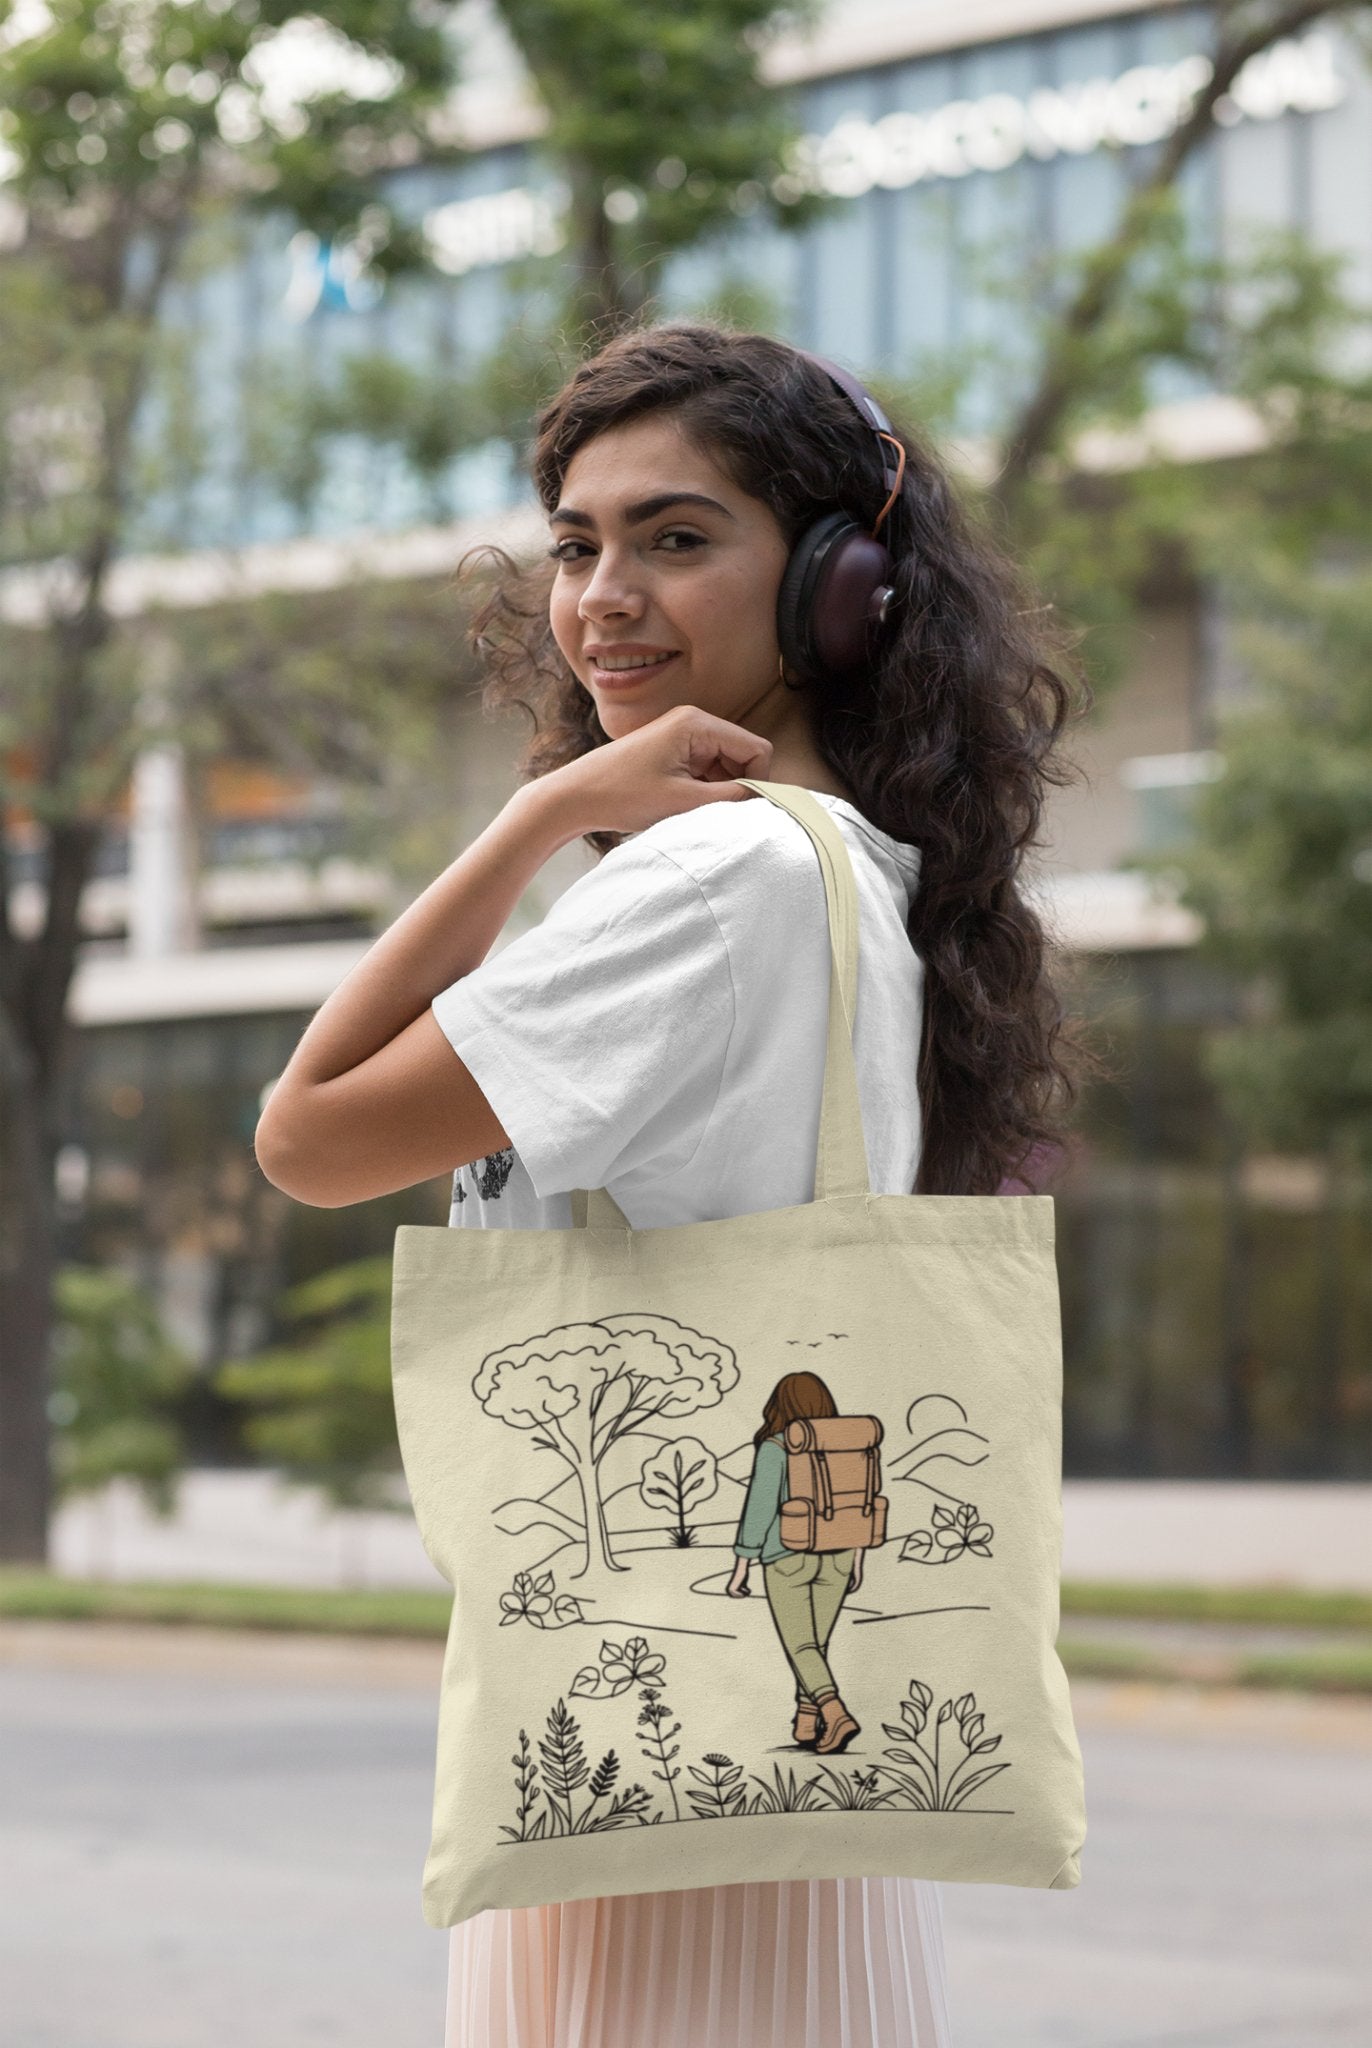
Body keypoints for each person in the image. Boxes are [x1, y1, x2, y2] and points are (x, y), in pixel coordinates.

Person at [255, 321, 1091, 2047]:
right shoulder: (859, 866)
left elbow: (311, 1128)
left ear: (839, 585)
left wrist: (535, 818)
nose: (603, 597)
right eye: (576, 544)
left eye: (677, 536)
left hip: (653, 1774)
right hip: (793, 1779)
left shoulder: (708, 879)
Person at [728, 1370, 866, 1756]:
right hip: (839, 1554)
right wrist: (858, 1557)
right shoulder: (847, 1446)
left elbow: (759, 1508)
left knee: (801, 1645)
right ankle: (807, 1723)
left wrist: (742, 1565)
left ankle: (835, 1714)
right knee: (814, 1644)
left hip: (787, 1555)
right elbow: (858, 1502)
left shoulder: (776, 1447)